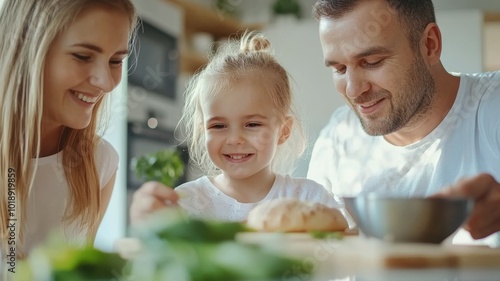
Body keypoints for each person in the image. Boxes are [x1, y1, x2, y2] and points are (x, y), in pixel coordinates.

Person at [307, 0, 500, 246]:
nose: (354, 90)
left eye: (372, 62)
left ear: (430, 45)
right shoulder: (339, 135)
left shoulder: (493, 104)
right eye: (339, 69)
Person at [130, 32, 342, 223]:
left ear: (284, 131)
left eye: (252, 124)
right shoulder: (185, 203)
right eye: (219, 125)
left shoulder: (310, 200)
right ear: (203, 130)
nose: (234, 139)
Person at [0, 0, 138, 260]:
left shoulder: (99, 163)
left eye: (116, 61)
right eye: (83, 56)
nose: (106, 82)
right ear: (25, 49)